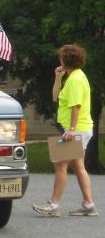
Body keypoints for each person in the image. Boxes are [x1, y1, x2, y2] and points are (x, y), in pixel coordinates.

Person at [33, 44, 97, 217]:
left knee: (60, 164)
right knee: (78, 166)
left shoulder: (76, 80)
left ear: (66, 60)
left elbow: (76, 106)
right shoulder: (74, 77)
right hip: (80, 129)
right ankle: (88, 205)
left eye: (61, 57)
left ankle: (53, 205)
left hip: (77, 129)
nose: (59, 60)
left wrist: (71, 129)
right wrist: (58, 77)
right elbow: (55, 97)